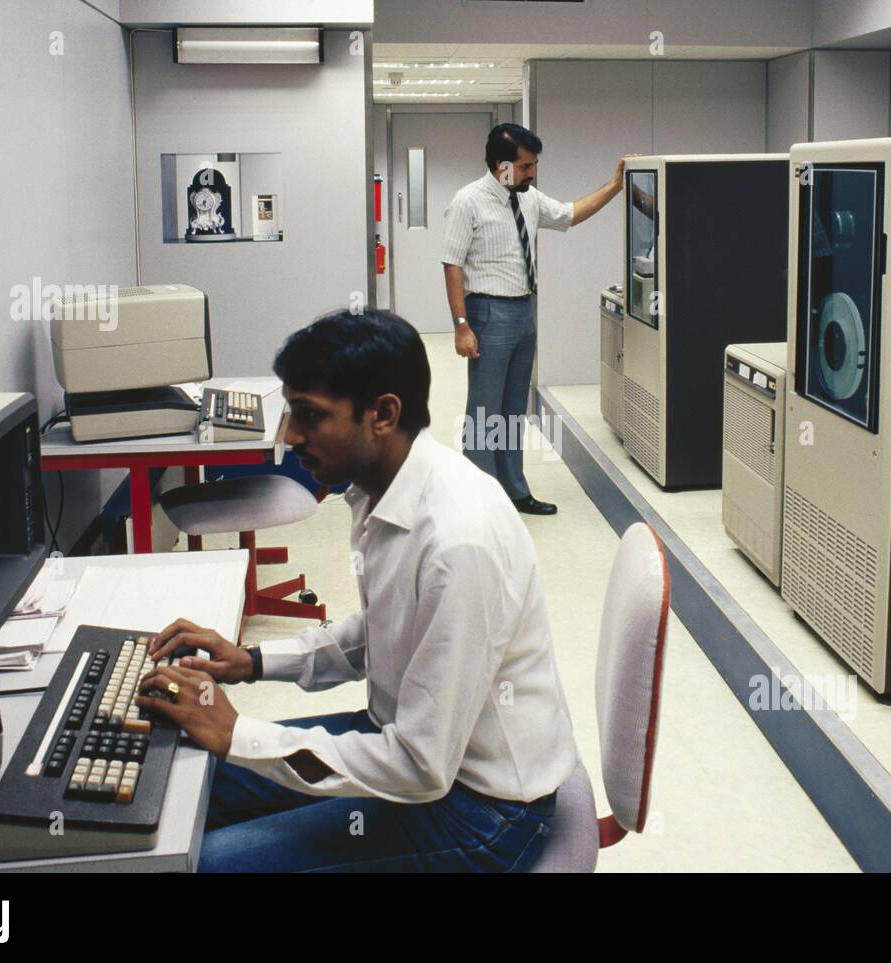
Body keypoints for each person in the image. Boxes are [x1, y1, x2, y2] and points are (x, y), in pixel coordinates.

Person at [137, 308, 580, 873]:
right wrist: (251, 661)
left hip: (481, 811)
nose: (291, 436)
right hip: (406, 744)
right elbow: (378, 633)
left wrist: (238, 732)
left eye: (309, 416)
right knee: (189, 779)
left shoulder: (457, 543)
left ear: (382, 414)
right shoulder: (381, 487)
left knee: (215, 863)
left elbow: (422, 768)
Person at [442, 122, 636, 516]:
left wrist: (615, 185)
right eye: (527, 166)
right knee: (484, 410)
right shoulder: (468, 202)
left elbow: (570, 214)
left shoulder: (527, 198)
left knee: (515, 408)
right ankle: (478, 500)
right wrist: (461, 325)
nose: (533, 173)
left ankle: (514, 489)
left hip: (522, 310)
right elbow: (452, 264)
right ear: (503, 166)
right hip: (486, 312)